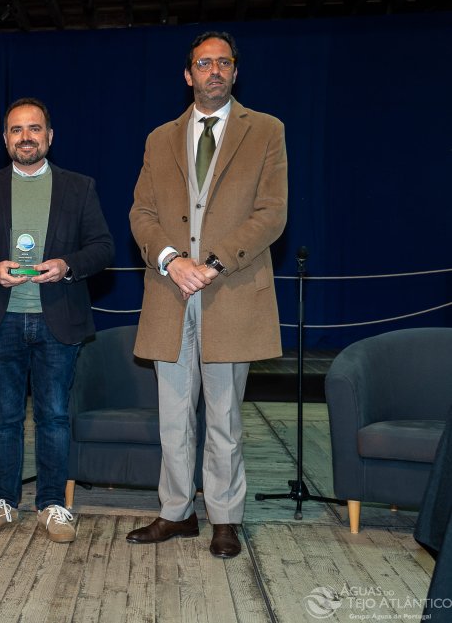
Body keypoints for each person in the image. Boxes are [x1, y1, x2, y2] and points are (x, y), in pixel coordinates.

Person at [128, 31, 287, 558]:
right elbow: (142, 213)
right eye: (203, 63)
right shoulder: (159, 138)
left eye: (223, 62)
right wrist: (172, 261)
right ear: (188, 74)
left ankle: (224, 517)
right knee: (174, 418)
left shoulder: (266, 131)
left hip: (230, 292)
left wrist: (214, 263)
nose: (213, 70)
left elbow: (272, 213)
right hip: (169, 293)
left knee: (225, 419)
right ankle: (176, 513)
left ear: (235, 72)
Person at [0, 97, 114, 543]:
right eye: (17, 130)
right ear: (5, 139)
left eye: (35, 128)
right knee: (4, 419)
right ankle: (4, 502)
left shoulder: (79, 187)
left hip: (57, 320)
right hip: (1, 320)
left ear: (50, 136)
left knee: (54, 417)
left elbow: (103, 247)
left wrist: (67, 265)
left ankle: (52, 505)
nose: (26, 137)